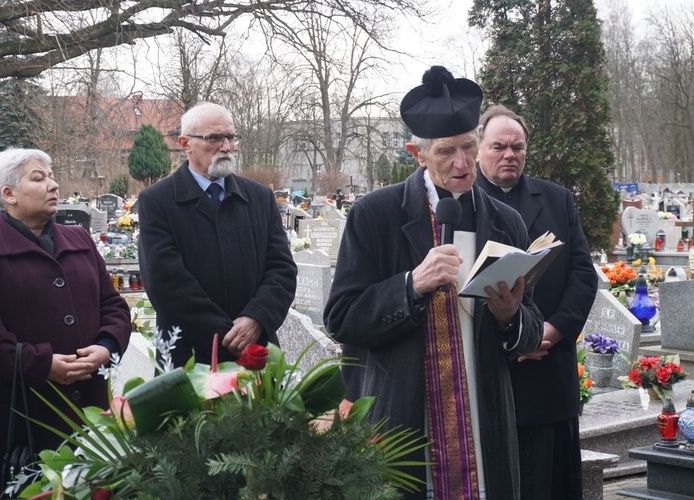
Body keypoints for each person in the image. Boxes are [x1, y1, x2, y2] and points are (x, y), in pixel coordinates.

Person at [323, 66, 543, 499]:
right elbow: (342, 318)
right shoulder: (375, 214)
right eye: (446, 152)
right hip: (402, 412)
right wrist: (410, 284)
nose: (462, 163)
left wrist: (510, 316)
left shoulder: (506, 221)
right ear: (417, 153)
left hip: (482, 416)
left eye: (468, 147)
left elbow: (530, 331)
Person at [0, 148, 131, 499]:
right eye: (39, 178)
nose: (53, 184)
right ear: (9, 194)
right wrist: (42, 364)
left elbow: (113, 306)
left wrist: (107, 346)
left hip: (87, 406)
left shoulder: (79, 240)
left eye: (51, 176)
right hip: (20, 413)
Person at [476, 104, 597, 499]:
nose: (509, 155)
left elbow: (582, 273)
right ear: (479, 148)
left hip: (548, 374)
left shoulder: (557, 199)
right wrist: (514, 336)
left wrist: (549, 331)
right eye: (499, 146)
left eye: (518, 147)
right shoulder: (462, 203)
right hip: (490, 372)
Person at [138, 102, 297, 368]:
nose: (225, 147)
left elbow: (281, 270)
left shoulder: (259, 197)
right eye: (214, 138)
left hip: (256, 352)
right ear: (185, 143)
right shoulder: (157, 201)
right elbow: (167, 283)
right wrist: (228, 337)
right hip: (190, 359)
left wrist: (256, 319)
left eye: (230, 137)